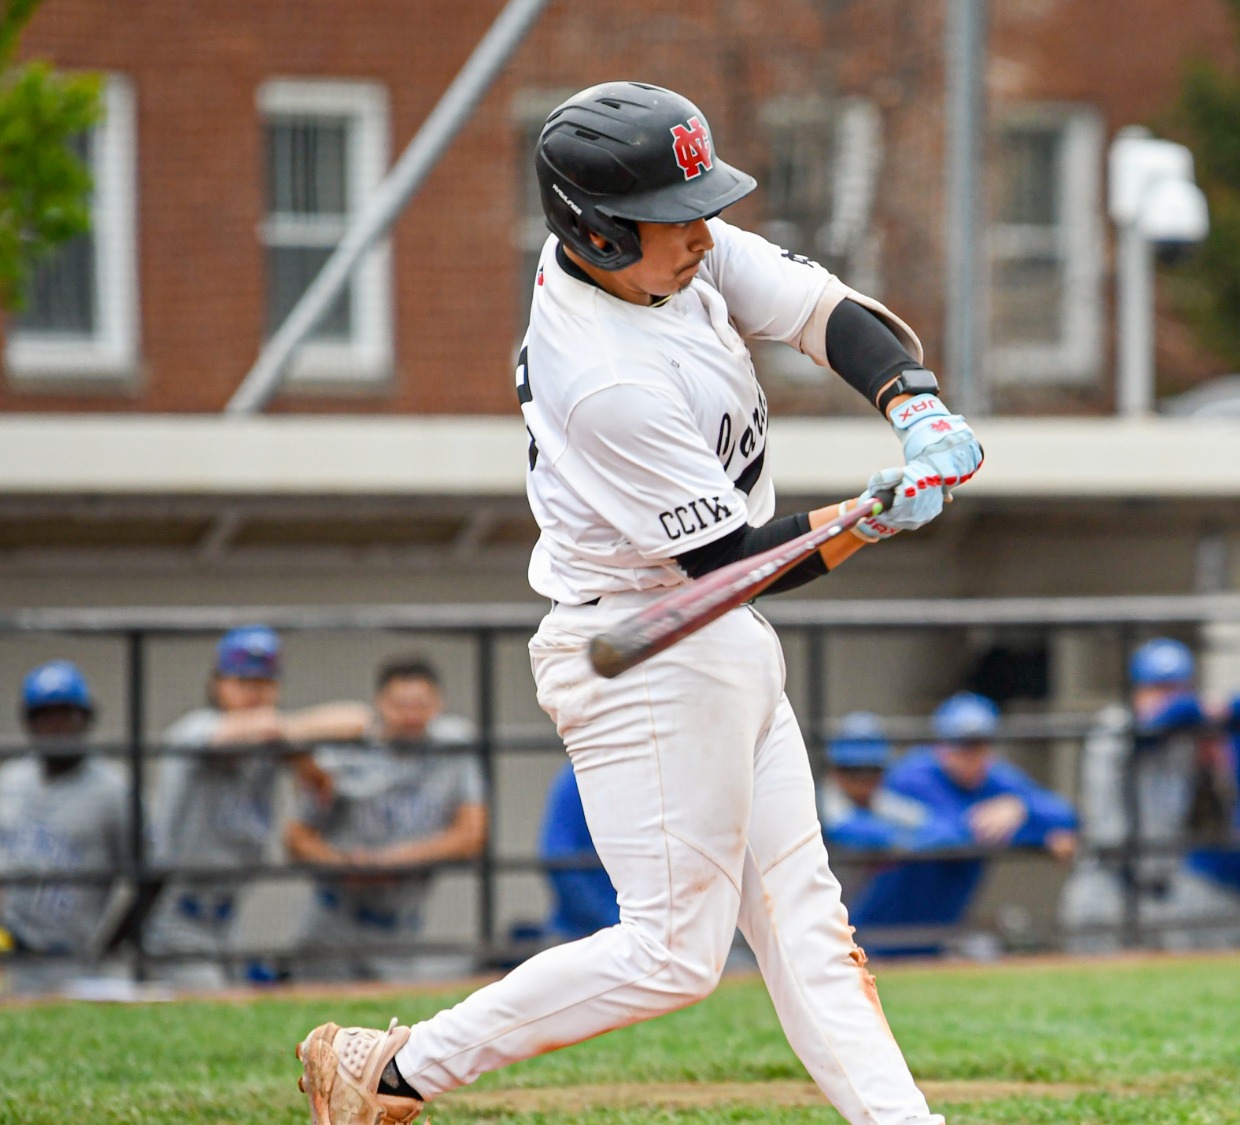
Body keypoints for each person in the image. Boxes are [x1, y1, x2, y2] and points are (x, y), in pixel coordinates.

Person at [297, 83, 979, 1125]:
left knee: (807, 931)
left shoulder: (668, 256)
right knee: (672, 956)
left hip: (715, 631)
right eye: (675, 214)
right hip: (649, 646)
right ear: (597, 232)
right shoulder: (603, 377)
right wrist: (868, 519)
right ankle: (391, 1071)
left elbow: (818, 312)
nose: (705, 230)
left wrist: (914, 404)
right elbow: (736, 563)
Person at [147, 626, 369, 989]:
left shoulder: (274, 742)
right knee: (212, 1018)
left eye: (264, 682)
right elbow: (253, 729)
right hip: (176, 912)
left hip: (227, 918)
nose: (255, 692)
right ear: (218, 684)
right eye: (243, 681)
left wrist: (303, 762)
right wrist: (288, 739)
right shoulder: (196, 728)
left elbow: (358, 718)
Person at [283, 657, 489, 982]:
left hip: (401, 928)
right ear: (379, 704)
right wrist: (344, 865)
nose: (410, 716)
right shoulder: (348, 747)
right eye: (399, 705)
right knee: (320, 1024)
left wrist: (391, 861)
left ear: (438, 704)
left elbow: (471, 835)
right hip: (335, 919)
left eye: (421, 705)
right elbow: (297, 838)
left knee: (391, 1027)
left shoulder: (453, 748)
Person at [851, 693, 1076, 955]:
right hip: (880, 925)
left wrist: (1021, 808)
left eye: (978, 745)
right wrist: (1035, 831)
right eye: (960, 745)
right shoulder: (911, 776)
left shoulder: (993, 779)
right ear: (941, 744)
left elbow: (1064, 815)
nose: (969, 756)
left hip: (938, 926)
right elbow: (954, 833)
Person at [1060, 638, 1219, 952]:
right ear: (1137, 690)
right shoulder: (1116, 725)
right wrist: (1205, 709)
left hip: (1162, 891)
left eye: (1176, 688)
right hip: (1106, 885)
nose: (1166, 698)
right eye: (1157, 688)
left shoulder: (1185, 739)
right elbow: (1162, 724)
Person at [0, 661, 129, 996]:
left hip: (72, 956)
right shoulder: (9, 780)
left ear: (86, 718)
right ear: (29, 722)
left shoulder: (113, 789)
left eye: (66, 715)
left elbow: (151, 875)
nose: (56, 726)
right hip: (10, 951)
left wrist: (110, 945)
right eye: (45, 716)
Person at [817, 712, 966, 853]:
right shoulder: (821, 799)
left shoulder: (880, 799)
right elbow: (843, 828)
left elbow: (936, 827)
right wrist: (904, 840)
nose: (862, 780)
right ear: (834, 770)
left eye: (871, 770)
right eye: (853, 771)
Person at [536, 760, 617, 942]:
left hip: (648, 936)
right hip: (577, 934)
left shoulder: (655, 776)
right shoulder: (582, 775)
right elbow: (557, 858)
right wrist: (614, 921)